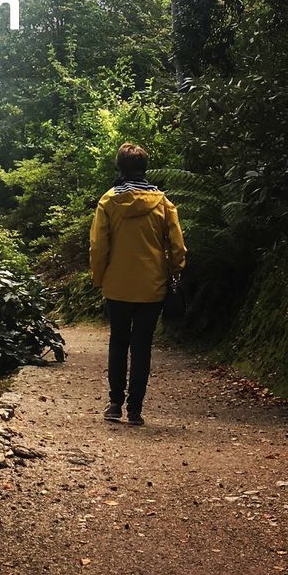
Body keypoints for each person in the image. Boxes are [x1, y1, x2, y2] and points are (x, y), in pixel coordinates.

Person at [89, 142, 186, 426]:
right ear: (145, 169)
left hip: (117, 285)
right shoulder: (164, 203)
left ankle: (115, 404)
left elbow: (98, 246)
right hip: (151, 286)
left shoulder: (108, 201)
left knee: (118, 342)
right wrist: (176, 270)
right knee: (142, 346)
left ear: (119, 167)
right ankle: (135, 410)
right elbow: (178, 246)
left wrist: (99, 276)